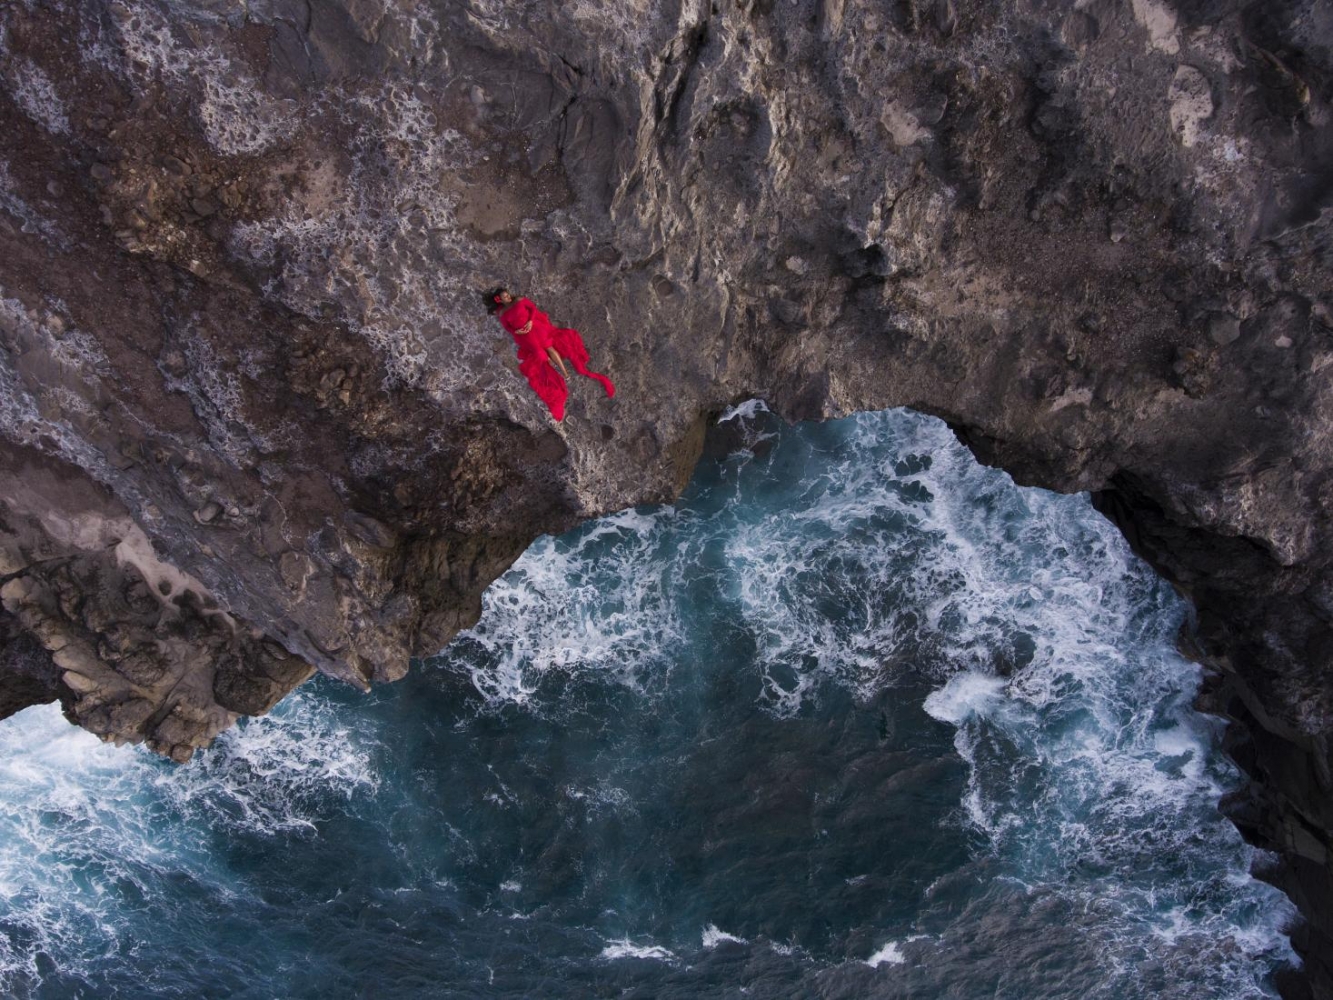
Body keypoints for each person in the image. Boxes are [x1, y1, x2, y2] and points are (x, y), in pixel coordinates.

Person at [486, 287, 615, 421]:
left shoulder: (519, 300)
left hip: (535, 328)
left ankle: (565, 372)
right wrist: (516, 332)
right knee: (542, 356)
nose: (508, 297)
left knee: (550, 348)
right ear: (499, 300)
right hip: (525, 337)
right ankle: (555, 374)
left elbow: (533, 309)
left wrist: (530, 321)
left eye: (507, 295)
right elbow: (508, 328)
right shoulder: (503, 313)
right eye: (505, 297)